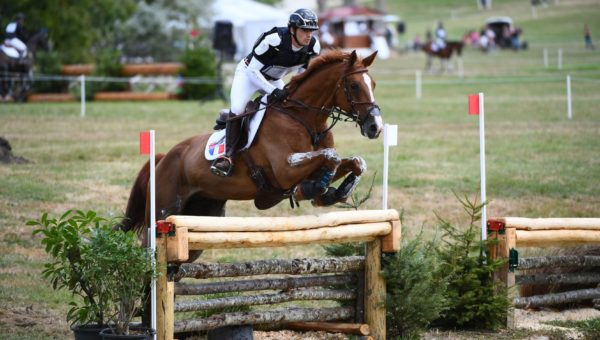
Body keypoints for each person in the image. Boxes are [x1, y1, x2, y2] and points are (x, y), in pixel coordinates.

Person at [210, 8, 321, 177]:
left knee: (293, 107)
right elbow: (253, 71)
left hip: (274, 79)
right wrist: (273, 91)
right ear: (292, 29)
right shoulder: (274, 40)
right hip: (249, 74)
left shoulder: (313, 46)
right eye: (304, 30)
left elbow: (303, 75)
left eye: (311, 31)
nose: (309, 35)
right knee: (239, 108)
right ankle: (228, 156)